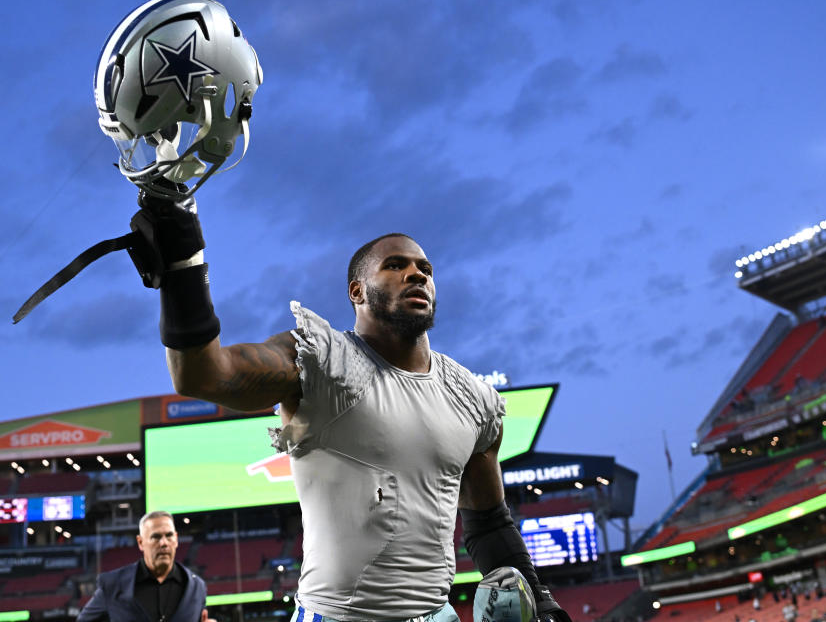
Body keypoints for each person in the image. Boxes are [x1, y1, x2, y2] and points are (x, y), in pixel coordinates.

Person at [132, 208, 570, 622]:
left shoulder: (473, 396)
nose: (417, 273)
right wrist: (183, 267)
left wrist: (538, 594)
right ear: (356, 291)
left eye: (425, 269)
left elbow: (488, 522)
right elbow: (203, 376)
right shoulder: (321, 361)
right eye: (395, 265)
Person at [77, 511, 207, 622]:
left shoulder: (197, 587)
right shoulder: (113, 585)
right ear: (140, 542)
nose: (164, 543)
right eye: (156, 537)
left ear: (176, 539)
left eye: (169, 536)